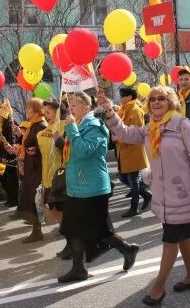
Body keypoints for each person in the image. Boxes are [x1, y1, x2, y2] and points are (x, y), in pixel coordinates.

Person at [103, 85, 190, 306]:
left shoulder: (183, 125)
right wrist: (109, 112)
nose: (155, 102)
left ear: (170, 101)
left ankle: (158, 287)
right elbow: (126, 133)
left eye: (161, 98)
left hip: (183, 196)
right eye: (152, 99)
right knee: (182, 238)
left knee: (171, 239)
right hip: (163, 197)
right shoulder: (150, 127)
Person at [58, 92, 139, 284]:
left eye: (74, 106)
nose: (71, 110)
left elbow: (83, 151)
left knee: (101, 232)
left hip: (92, 188)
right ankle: (79, 269)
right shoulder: (78, 125)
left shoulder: (94, 125)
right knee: (73, 229)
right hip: (76, 188)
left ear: (86, 107)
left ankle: (127, 249)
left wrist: (71, 129)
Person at [37, 99, 69, 257]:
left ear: (57, 110)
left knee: (59, 208)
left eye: (48, 112)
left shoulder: (66, 125)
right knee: (54, 208)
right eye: (44, 113)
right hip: (48, 176)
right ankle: (72, 240)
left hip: (62, 176)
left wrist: (60, 141)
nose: (46, 116)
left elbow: (71, 150)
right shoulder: (43, 131)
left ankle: (73, 242)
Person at [114, 86, 151, 217]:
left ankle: (134, 207)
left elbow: (135, 133)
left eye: (123, 95)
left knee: (133, 180)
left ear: (130, 97)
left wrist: (119, 137)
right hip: (124, 149)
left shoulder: (135, 110)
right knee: (125, 178)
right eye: (121, 95)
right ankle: (147, 195)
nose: (121, 98)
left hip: (133, 149)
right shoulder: (124, 109)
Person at [17, 98, 48, 243]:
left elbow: (47, 149)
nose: (26, 111)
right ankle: (36, 230)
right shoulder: (33, 125)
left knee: (36, 200)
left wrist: (35, 151)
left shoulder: (41, 126)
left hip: (38, 169)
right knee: (31, 199)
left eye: (29, 108)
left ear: (37, 110)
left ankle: (37, 231)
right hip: (31, 168)